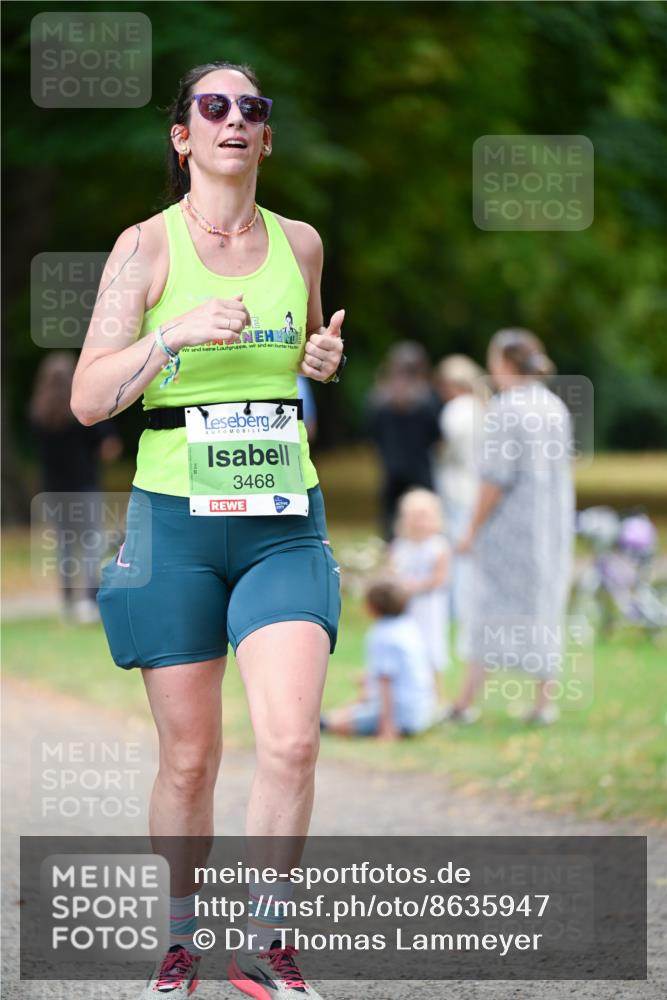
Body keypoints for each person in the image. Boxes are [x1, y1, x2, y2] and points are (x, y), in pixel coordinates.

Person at [70, 62, 345, 999]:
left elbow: (304, 350)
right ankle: (181, 936)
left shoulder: (299, 243)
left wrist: (322, 357)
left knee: (292, 741)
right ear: (183, 136)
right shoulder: (141, 251)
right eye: (213, 107)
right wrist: (172, 336)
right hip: (173, 526)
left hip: (280, 524)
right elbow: (86, 398)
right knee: (188, 761)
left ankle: (266, 946)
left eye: (253, 109)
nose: (235, 120)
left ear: (265, 138)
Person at [448, 329, 574, 725]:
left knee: (487, 609)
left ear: (503, 363)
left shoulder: (507, 409)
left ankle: (465, 701)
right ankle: (543, 702)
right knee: (543, 608)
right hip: (549, 526)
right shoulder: (555, 406)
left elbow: (494, 479)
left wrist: (471, 528)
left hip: (510, 530)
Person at [29, 350, 122, 623]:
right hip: (84, 485)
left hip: (53, 489)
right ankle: (91, 601)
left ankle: (69, 602)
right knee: (91, 543)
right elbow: (109, 448)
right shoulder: (83, 410)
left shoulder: (37, 412)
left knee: (65, 546)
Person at [321, 577, 437, 740]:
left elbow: (386, 681)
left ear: (372, 607)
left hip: (401, 715)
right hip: (422, 710)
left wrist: (387, 728)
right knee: (351, 707)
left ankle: (324, 722)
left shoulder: (382, 636)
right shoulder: (408, 625)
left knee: (332, 724)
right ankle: (332, 717)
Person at [433, 354, 488, 649]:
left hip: (455, 487)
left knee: (458, 549)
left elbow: (448, 450)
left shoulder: (455, 410)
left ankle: (458, 608)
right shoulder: (484, 408)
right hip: (479, 486)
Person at [364, 341, 442, 540]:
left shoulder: (378, 398)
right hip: (421, 469)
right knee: (426, 521)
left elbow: (370, 434)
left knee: (392, 523)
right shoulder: (428, 399)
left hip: (391, 469)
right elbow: (436, 436)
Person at [389, 488, 450, 697]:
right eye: (413, 517)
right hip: (405, 608)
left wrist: (417, 585)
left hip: (429, 607)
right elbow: (392, 573)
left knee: (430, 650)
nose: (418, 523)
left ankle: (436, 697)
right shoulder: (400, 546)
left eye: (423, 517)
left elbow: (441, 578)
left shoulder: (438, 546)